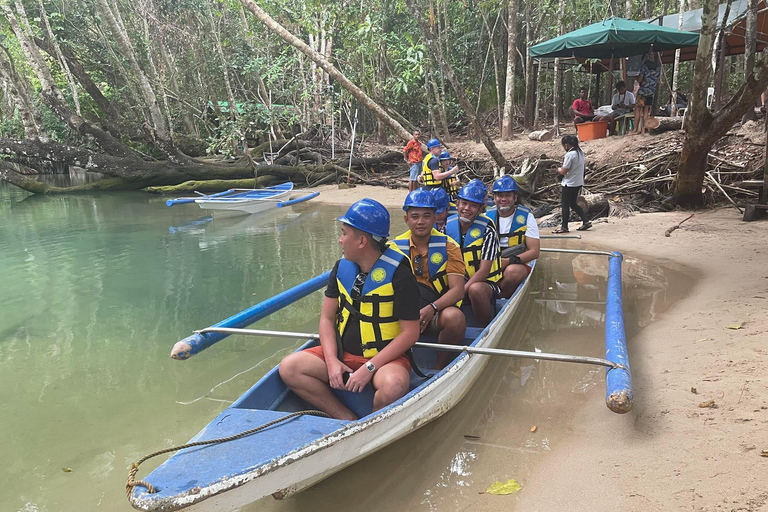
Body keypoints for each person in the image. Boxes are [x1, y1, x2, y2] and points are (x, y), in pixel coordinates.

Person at [278, 199, 421, 420]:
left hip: (383, 360)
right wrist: (333, 361)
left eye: (344, 233)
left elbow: (411, 333)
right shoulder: (341, 268)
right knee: (289, 368)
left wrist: (370, 368)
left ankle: (372, 423)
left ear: (362, 241)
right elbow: (326, 319)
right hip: (342, 353)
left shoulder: (400, 276)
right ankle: (345, 418)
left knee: (394, 386)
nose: (340, 239)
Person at [391, 189, 466, 369]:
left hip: (434, 311)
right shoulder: (392, 247)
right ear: (406, 219)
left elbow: (458, 290)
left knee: (455, 318)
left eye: (426, 216)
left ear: (434, 218)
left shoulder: (450, 247)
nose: (421, 222)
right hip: (402, 313)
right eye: (415, 216)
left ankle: (439, 365)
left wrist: (432, 308)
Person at [445, 180, 503, 327]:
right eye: (464, 203)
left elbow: (484, 271)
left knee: (475, 289)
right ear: (457, 204)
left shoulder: (488, 230)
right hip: (456, 281)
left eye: (473, 205)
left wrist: (460, 292)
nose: (467, 208)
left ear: (479, 209)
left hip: (484, 284)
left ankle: (484, 328)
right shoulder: (446, 228)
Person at [486, 176, 540, 298]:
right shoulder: (486, 216)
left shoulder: (527, 217)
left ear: (515, 198)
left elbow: (534, 252)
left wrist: (509, 261)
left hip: (517, 261)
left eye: (508, 195)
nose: (503, 199)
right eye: (499, 195)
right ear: (494, 198)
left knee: (511, 272)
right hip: (493, 259)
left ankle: (501, 295)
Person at [553, 135, 591, 234]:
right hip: (578, 182)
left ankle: (564, 227)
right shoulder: (580, 152)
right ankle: (585, 221)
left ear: (566, 145)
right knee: (573, 204)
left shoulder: (570, 155)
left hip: (569, 183)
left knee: (565, 204)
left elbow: (564, 171)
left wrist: (558, 169)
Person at [631, 52, 661, 135]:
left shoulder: (644, 67)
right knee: (646, 111)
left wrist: (636, 78)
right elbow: (658, 80)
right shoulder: (658, 68)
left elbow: (640, 80)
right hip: (651, 92)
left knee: (637, 110)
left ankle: (635, 130)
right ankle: (645, 129)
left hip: (643, 92)